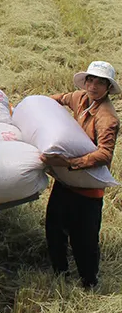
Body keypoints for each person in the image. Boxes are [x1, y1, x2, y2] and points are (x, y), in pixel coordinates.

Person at [42, 61, 120, 289]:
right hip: (66, 182)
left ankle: (89, 282)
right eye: (90, 80)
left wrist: (69, 163)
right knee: (54, 228)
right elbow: (59, 99)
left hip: (87, 187)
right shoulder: (80, 98)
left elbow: (104, 154)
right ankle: (60, 272)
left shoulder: (107, 118)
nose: (93, 86)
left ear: (107, 88)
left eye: (99, 83)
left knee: (84, 239)